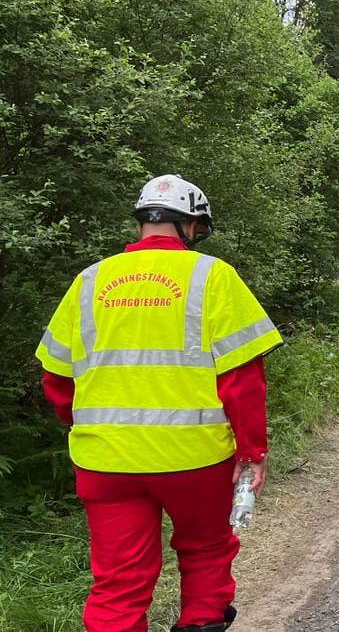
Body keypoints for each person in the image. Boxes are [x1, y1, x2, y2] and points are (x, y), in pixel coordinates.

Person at [35, 175, 282, 632]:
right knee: (206, 552)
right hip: (195, 458)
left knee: (117, 583)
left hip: (105, 461)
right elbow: (242, 380)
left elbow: (57, 379)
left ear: (143, 224)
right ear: (191, 226)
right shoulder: (213, 275)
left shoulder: (89, 280)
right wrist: (252, 452)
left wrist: (85, 424)